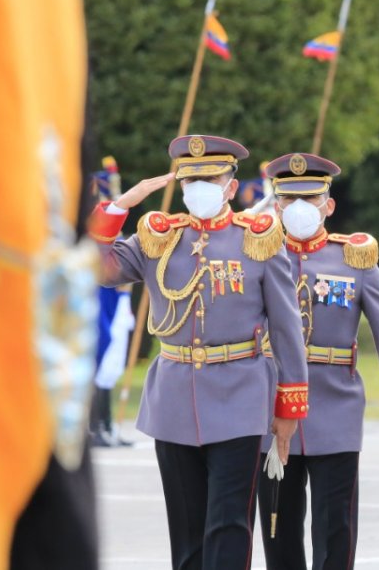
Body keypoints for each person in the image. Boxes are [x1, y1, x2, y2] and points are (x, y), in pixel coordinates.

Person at [87, 134, 309, 569]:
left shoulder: (258, 239)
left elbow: (286, 329)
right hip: (174, 400)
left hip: (240, 395)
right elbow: (97, 267)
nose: (200, 188)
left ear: (231, 186)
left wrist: (289, 406)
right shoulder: (158, 237)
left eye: (211, 179)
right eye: (191, 181)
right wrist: (119, 207)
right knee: (186, 533)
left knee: (229, 525)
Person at [256, 152, 379, 570]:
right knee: (278, 528)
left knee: (336, 530)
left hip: (335, 407)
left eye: (310, 199)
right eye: (288, 199)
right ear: (276, 205)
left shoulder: (354, 258)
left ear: (328, 205)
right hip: (270, 406)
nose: (298, 208)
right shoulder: (257, 255)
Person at [89, 156, 136, 448]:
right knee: (100, 355)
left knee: (112, 360)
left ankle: (105, 424)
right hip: (99, 297)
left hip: (116, 299)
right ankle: (94, 426)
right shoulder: (93, 223)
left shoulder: (113, 225)